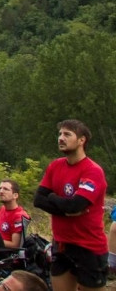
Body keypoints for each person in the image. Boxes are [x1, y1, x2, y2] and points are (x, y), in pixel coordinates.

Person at [33, 119, 109, 291]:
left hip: (88, 247)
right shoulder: (55, 166)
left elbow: (76, 205)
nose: (61, 138)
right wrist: (64, 208)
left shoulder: (92, 170)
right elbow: (38, 200)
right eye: (60, 134)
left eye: (67, 134)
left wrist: (52, 197)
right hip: (61, 244)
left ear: (82, 140)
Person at [0, 179, 30, 249]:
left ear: (15, 195)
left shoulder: (19, 216)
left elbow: (15, 245)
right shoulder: (2, 209)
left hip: (4, 253)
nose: (1, 192)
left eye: (5, 189)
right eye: (0, 188)